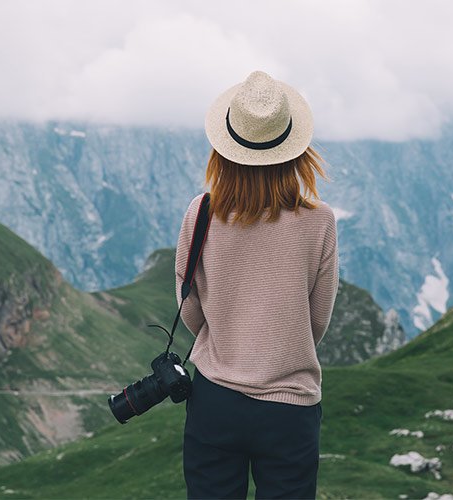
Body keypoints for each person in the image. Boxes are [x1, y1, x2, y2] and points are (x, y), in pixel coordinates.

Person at [175, 70, 339, 500]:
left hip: (216, 399)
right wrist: (280, 345)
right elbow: (317, 318)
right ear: (294, 150)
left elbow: (188, 302)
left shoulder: (202, 211)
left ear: (225, 148)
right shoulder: (319, 220)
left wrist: (229, 340)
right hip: (290, 407)